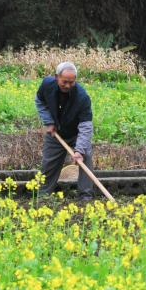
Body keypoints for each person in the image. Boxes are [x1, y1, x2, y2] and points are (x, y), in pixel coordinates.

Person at [34, 61, 96, 200]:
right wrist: (48, 122)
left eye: (71, 82)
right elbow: (40, 102)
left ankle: (85, 196)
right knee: (49, 163)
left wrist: (79, 150)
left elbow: (86, 126)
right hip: (55, 132)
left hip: (76, 134)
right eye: (64, 82)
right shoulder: (47, 85)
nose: (68, 85)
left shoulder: (82, 98)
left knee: (84, 158)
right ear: (57, 77)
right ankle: (43, 195)